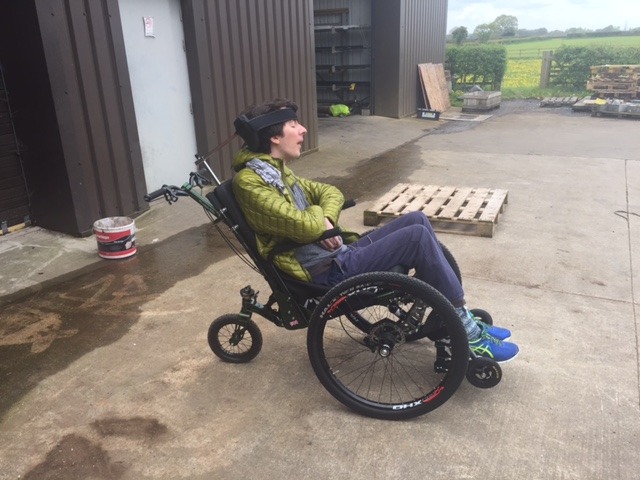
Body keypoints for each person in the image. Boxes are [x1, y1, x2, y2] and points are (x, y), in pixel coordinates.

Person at [231, 99, 519, 363]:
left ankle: (456, 316)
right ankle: (467, 333)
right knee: (416, 239)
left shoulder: (279, 172)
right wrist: (321, 223)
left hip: (336, 253)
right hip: (324, 272)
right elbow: (304, 225)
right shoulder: (251, 183)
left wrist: (326, 219)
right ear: (274, 136)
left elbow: (330, 192)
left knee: (416, 220)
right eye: (294, 125)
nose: (303, 129)